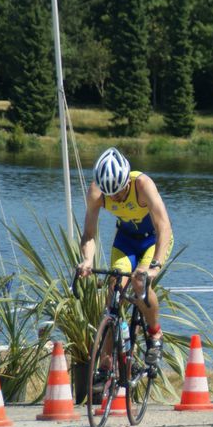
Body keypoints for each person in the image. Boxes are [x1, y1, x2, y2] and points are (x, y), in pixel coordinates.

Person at [76, 147, 173, 366]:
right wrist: (88, 260)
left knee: (141, 283)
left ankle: (155, 335)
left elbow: (163, 226)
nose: (116, 198)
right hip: (126, 240)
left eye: (119, 192)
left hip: (153, 240)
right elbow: (89, 235)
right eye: (111, 195)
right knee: (113, 292)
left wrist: (154, 266)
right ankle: (107, 363)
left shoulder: (142, 185)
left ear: (127, 181)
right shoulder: (96, 192)